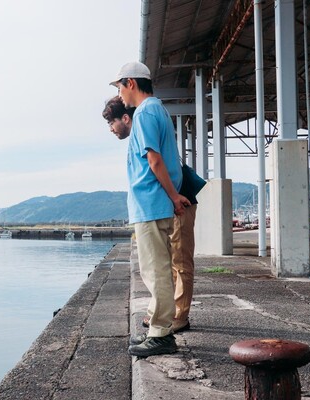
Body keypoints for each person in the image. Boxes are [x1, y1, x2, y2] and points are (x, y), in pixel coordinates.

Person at [107, 62, 191, 357]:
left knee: (155, 271)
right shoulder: (157, 109)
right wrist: (174, 196)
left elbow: (154, 160)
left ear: (131, 82)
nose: (119, 94)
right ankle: (159, 327)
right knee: (157, 268)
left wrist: (172, 195)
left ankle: (161, 335)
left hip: (151, 203)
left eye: (119, 87)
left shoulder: (144, 112)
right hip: (155, 204)